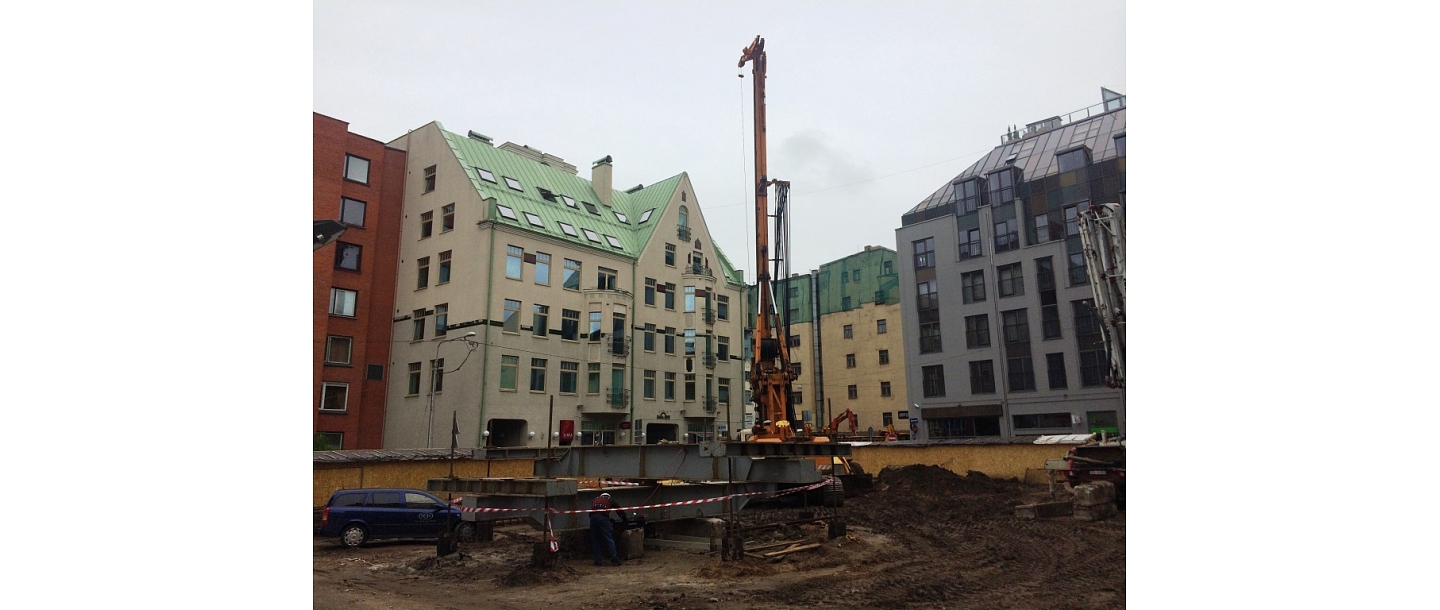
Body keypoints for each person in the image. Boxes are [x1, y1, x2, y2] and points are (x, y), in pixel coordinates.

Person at [589, 492, 625, 566]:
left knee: (595, 539)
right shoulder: (609, 500)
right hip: (603, 518)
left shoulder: (595, 499)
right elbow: (618, 509)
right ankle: (614, 559)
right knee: (608, 538)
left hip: (592, 518)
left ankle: (598, 560)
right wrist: (624, 518)